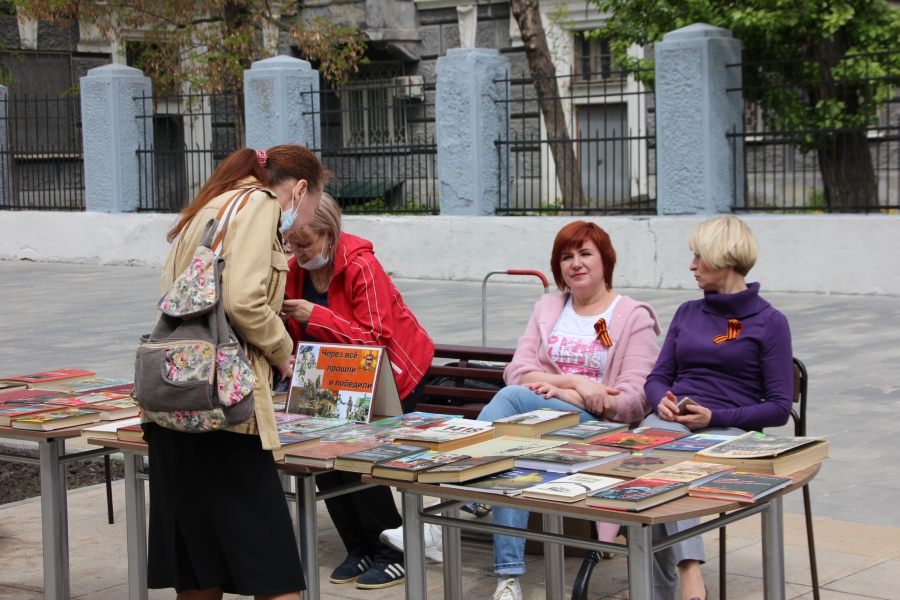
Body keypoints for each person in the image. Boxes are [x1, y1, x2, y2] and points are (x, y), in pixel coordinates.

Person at [144, 145, 327, 600]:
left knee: (199, 569)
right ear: (300, 189)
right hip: (226, 409)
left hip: (178, 399)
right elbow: (243, 301)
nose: (302, 222)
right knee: (274, 571)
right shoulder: (260, 204)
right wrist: (283, 350)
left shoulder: (212, 204)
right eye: (312, 207)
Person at [477, 221, 662, 600]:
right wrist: (574, 383)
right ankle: (508, 581)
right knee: (513, 455)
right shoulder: (548, 307)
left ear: (605, 261)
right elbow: (518, 370)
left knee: (511, 401)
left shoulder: (632, 316)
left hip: (598, 432)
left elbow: (633, 401)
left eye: (585, 254)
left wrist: (569, 394)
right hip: (540, 422)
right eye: (566, 256)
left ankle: (448, 502)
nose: (575, 263)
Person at [280, 193, 435, 590]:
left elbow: (375, 340)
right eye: (291, 244)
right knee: (319, 456)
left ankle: (393, 548)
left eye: (304, 244)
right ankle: (358, 546)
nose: (297, 253)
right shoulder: (294, 271)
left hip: (392, 374)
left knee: (358, 454)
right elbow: (296, 338)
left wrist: (316, 315)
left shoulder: (362, 266)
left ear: (329, 235)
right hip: (333, 377)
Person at [642, 215, 794, 600]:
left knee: (670, 462)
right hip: (675, 423)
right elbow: (657, 377)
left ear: (724, 258)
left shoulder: (770, 321)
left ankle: (683, 581)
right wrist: (661, 401)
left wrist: (715, 417)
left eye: (699, 257)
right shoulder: (687, 312)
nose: (692, 266)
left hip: (729, 430)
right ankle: (690, 579)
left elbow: (779, 408)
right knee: (650, 456)